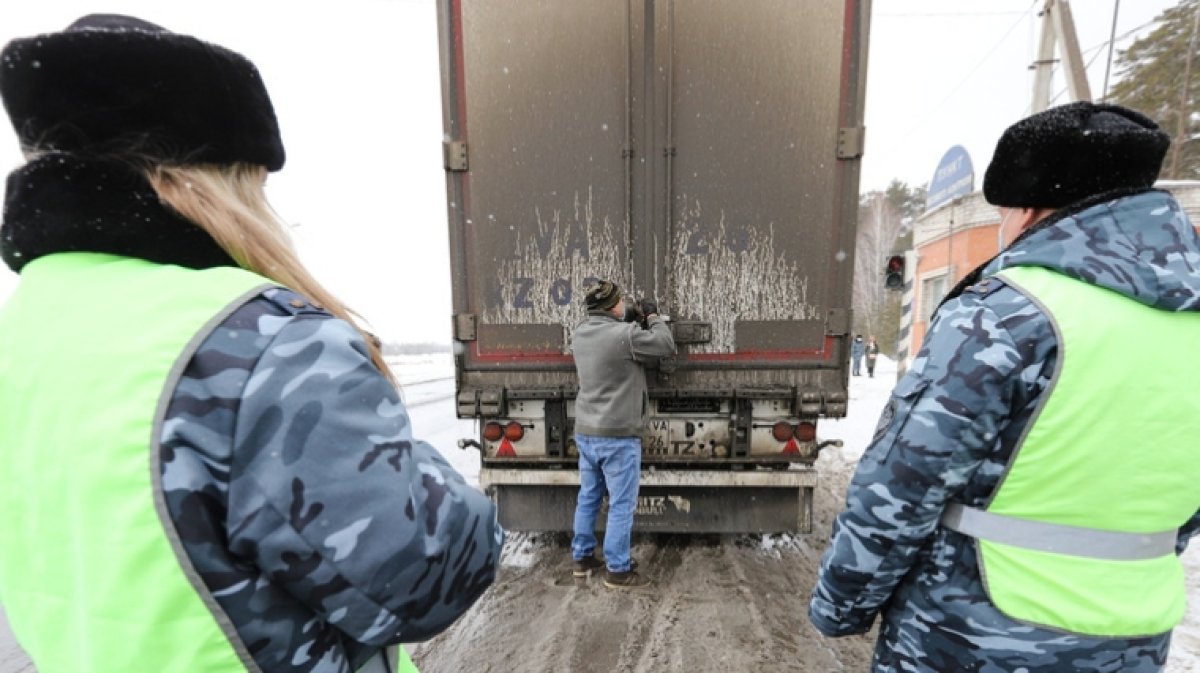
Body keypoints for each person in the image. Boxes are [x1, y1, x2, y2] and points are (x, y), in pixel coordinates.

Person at [0, 15, 502, 673]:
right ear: (216, 179)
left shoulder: (28, 330)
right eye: (257, 181)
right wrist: (419, 466)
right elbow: (429, 574)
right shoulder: (260, 342)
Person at [810, 101, 1200, 672]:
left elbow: (901, 488)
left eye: (1004, 212)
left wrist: (840, 605)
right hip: (1133, 642)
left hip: (972, 638)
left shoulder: (1007, 315)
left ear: (1028, 209)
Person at [569, 280, 675, 589]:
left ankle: (583, 557)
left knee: (588, 497)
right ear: (612, 306)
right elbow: (664, 345)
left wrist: (626, 315)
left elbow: (607, 328)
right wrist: (652, 317)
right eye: (620, 302)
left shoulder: (579, 333)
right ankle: (617, 569)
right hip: (617, 435)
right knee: (621, 504)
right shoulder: (625, 336)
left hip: (587, 431)